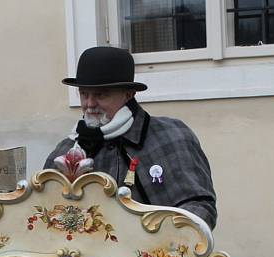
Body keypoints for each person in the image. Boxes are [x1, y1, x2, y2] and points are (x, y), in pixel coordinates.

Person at [45, 45, 217, 231]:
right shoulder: (66, 149)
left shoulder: (171, 137)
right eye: (84, 94)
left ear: (128, 94)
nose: (90, 104)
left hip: (153, 255)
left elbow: (200, 207)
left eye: (101, 95)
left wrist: (166, 238)